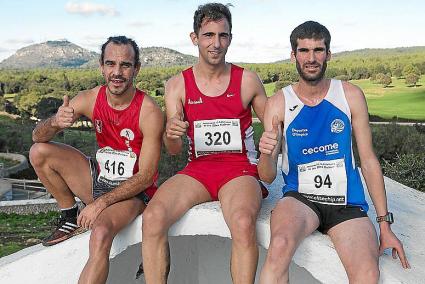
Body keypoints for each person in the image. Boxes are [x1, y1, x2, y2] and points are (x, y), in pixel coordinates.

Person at [257, 21, 410, 283]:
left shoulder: (349, 95)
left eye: (318, 50)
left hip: (347, 203)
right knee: (279, 245)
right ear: (293, 55)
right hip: (300, 199)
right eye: (304, 51)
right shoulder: (279, 103)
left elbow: (369, 160)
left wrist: (385, 224)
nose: (311, 58)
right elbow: (267, 176)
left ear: (328, 54)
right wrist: (265, 153)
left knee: (367, 273)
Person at [141, 3, 268, 283]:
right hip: (198, 170)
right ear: (194, 37)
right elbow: (173, 150)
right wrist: (171, 134)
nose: (216, 43)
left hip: (239, 170)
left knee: (244, 223)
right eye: (209, 35)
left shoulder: (248, 81)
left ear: (230, 38)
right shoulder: (177, 85)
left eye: (223, 36)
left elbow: (273, 127)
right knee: (152, 218)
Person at [29, 36, 163, 284]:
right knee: (39, 152)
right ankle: (69, 216)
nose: (117, 72)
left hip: (133, 192)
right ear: (101, 66)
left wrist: (99, 205)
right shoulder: (90, 98)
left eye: (125, 65)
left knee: (100, 233)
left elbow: (145, 176)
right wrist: (56, 122)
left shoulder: (149, 111)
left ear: (137, 69)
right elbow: (37, 136)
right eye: (110, 64)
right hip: (100, 179)